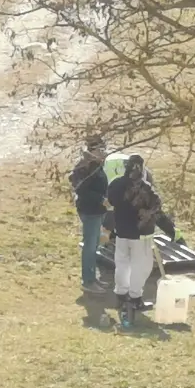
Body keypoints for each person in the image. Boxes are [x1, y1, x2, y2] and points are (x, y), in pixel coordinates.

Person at [107, 155, 173, 326]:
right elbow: (156, 207)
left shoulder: (115, 184)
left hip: (121, 231)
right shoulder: (144, 188)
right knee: (141, 266)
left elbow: (111, 202)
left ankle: (121, 295)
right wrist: (170, 230)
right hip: (140, 233)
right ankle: (135, 298)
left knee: (122, 264)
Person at [69, 137, 109, 293]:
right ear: (92, 151)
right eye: (100, 150)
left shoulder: (95, 164)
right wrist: (101, 199)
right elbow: (81, 189)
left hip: (97, 210)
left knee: (94, 246)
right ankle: (88, 281)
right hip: (90, 210)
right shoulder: (86, 166)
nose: (103, 153)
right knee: (90, 247)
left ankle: (93, 278)